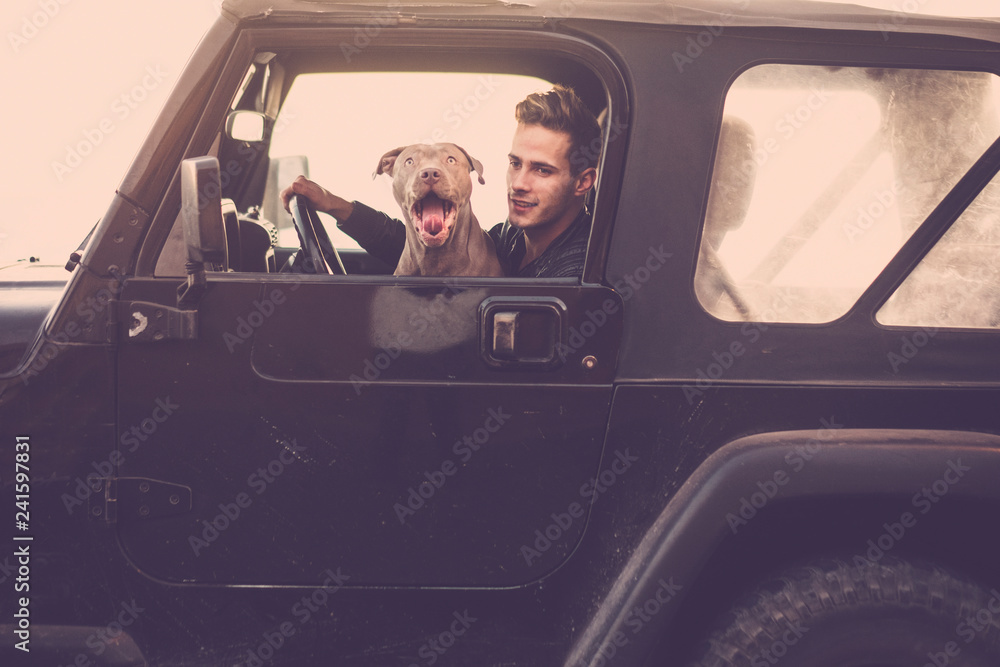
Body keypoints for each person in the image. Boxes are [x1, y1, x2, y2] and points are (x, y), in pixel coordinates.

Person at [280, 84, 601, 277]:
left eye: (542, 170)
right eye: (515, 163)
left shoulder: (579, 271)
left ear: (582, 182)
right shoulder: (511, 237)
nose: (518, 182)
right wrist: (335, 205)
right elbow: (421, 252)